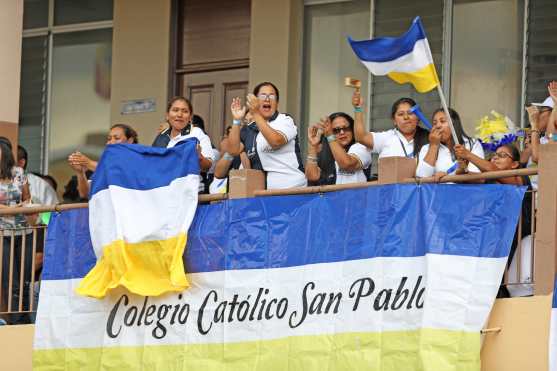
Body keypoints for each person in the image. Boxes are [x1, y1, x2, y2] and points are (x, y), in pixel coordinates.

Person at [227, 82, 306, 189]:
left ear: (277, 103)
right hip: (264, 194)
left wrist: (255, 113)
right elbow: (233, 151)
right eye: (263, 95)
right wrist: (236, 121)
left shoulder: (285, 120)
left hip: (292, 189)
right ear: (255, 101)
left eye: (272, 96)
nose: (267, 99)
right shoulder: (249, 129)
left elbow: (275, 141)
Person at [0, 141, 36, 323]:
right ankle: (16, 320)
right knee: (11, 280)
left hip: (24, 232)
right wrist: (17, 207)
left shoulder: (18, 173)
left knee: (25, 279)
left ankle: (26, 317)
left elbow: (27, 199)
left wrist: (22, 205)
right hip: (2, 235)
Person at [152, 97, 214, 192]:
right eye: (175, 110)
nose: (179, 114)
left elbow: (207, 167)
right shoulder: (161, 136)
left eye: (185, 111)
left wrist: (199, 157)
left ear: (190, 117)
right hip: (164, 193)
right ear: (167, 115)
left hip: (191, 195)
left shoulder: (196, 133)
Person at [68, 124, 138, 199]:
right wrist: (80, 173)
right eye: (109, 139)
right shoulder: (104, 165)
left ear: (130, 140)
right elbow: (85, 194)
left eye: (116, 138)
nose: (110, 142)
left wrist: (88, 163)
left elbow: (118, 173)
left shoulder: (139, 160)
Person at [353, 91, 429, 160]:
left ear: (418, 117)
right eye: (401, 114)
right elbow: (361, 137)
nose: (406, 117)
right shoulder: (386, 138)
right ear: (394, 120)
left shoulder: (430, 138)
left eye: (410, 113)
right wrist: (358, 108)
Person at [416, 108, 485, 180]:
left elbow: (477, 177)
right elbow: (422, 177)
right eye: (434, 123)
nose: (438, 126)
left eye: (442, 121)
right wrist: (434, 146)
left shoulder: (472, 144)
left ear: (454, 124)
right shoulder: (427, 148)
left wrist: (448, 177)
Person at [306, 112, 371, 185]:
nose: (342, 132)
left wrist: (330, 136)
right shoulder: (324, 151)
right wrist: (313, 146)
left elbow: (347, 164)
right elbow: (312, 177)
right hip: (328, 196)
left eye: (346, 128)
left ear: (352, 129)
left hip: (354, 195)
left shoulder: (361, 147)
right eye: (336, 130)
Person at [209, 126, 251, 194]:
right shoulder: (232, 153)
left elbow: (249, 176)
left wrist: (242, 152)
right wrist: (230, 153)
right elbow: (218, 174)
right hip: (232, 198)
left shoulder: (252, 147)